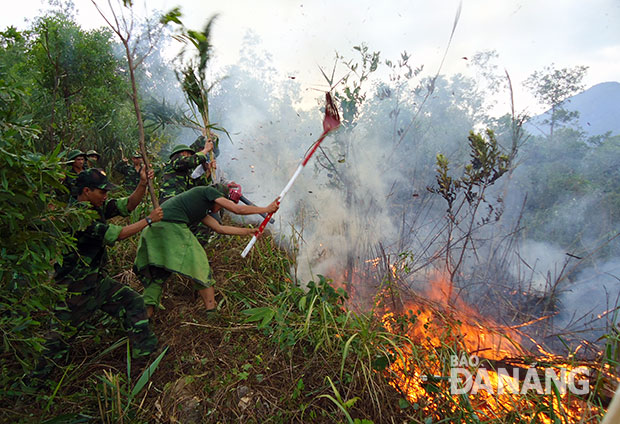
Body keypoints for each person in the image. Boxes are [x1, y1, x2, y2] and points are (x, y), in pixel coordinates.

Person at [37, 167, 163, 376]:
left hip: (96, 283)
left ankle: (145, 355)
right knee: (56, 341)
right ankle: (34, 384)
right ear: (86, 191)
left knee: (133, 302)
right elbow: (118, 234)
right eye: (102, 192)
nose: (106, 196)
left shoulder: (97, 207)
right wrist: (148, 220)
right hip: (74, 290)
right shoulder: (77, 217)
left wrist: (142, 183)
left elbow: (128, 205)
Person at [134, 183, 279, 318]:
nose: (220, 209)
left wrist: (248, 232)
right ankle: (212, 312)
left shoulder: (199, 208)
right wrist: (266, 209)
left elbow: (219, 228)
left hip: (153, 231)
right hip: (171, 227)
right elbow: (237, 209)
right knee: (200, 265)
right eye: (222, 204)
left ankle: (146, 316)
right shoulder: (207, 191)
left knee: (159, 274)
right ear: (219, 197)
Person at [159, 135, 215, 204]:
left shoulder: (184, 174)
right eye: (189, 154)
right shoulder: (175, 161)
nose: (190, 156)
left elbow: (194, 186)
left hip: (179, 201)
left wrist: (208, 172)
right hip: (169, 200)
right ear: (183, 153)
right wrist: (206, 150)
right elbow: (188, 161)